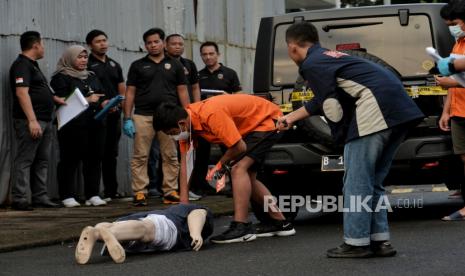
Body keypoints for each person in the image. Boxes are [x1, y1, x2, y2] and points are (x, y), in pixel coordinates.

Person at [278, 22, 424, 258]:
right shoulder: (330, 57)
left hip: (376, 110)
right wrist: (292, 116)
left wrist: (341, 138)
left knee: (356, 182)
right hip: (400, 112)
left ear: (292, 47)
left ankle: (356, 243)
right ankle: (379, 241)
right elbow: (324, 99)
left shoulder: (311, 64)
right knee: (373, 180)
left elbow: (331, 106)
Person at [153, 94, 296, 244]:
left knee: (238, 169)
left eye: (172, 133)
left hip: (268, 121)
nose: (173, 137)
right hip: (250, 127)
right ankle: (281, 223)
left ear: (181, 123)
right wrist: (183, 209)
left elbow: (239, 147)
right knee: (248, 178)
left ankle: (241, 227)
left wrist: (219, 166)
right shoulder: (187, 127)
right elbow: (185, 166)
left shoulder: (211, 114)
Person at [123, 28, 189, 206]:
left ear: (163, 43)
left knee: (170, 155)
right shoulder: (137, 65)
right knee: (140, 156)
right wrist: (127, 117)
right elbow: (130, 93)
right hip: (143, 115)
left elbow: (182, 91)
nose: (152, 45)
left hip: (169, 117)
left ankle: (170, 191)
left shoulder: (175, 65)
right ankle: (139, 192)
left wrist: (188, 113)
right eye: (149, 43)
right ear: (145, 45)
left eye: (156, 42)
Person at [9, 31, 65, 210]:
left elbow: (38, 89)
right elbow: (21, 93)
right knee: (25, 159)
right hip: (32, 121)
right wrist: (31, 120)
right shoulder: (21, 65)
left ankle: (40, 196)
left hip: (45, 120)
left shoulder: (33, 65)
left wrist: (54, 98)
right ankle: (20, 198)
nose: (44, 48)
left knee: (42, 160)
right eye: (42, 44)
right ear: (35, 45)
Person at [50, 45, 108, 208]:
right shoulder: (60, 78)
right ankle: (67, 195)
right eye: (79, 57)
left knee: (94, 159)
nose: (83, 60)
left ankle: (92, 194)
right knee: (70, 160)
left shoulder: (91, 75)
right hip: (72, 126)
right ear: (69, 58)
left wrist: (106, 103)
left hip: (95, 123)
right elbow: (60, 101)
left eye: (85, 57)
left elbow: (101, 93)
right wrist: (87, 100)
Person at [75, 204, 214, 264]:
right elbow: (198, 214)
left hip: (137, 229)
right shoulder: (190, 210)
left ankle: (96, 232)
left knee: (115, 226)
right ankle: (108, 233)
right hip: (170, 226)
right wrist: (196, 233)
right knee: (146, 230)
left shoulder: (170, 210)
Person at [86, 30, 126, 201]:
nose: (102, 44)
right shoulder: (87, 64)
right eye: (98, 41)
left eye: (104, 40)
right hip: (96, 115)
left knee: (111, 153)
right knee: (96, 153)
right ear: (90, 45)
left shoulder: (114, 64)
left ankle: (111, 191)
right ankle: (92, 192)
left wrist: (123, 108)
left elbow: (121, 87)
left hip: (114, 114)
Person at [436, 1, 465, 221]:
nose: (451, 28)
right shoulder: (458, 44)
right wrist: (446, 111)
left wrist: (451, 84)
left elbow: (455, 81)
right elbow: (455, 80)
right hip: (459, 112)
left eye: (454, 23)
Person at [165, 33, 202, 201]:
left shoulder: (189, 64)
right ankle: (169, 189)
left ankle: (188, 187)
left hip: (186, 113)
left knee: (188, 152)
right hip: (170, 114)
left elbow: (194, 87)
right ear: (166, 45)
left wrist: (197, 107)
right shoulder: (163, 63)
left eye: (181, 43)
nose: (178, 46)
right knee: (169, 153)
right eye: (174, 44)